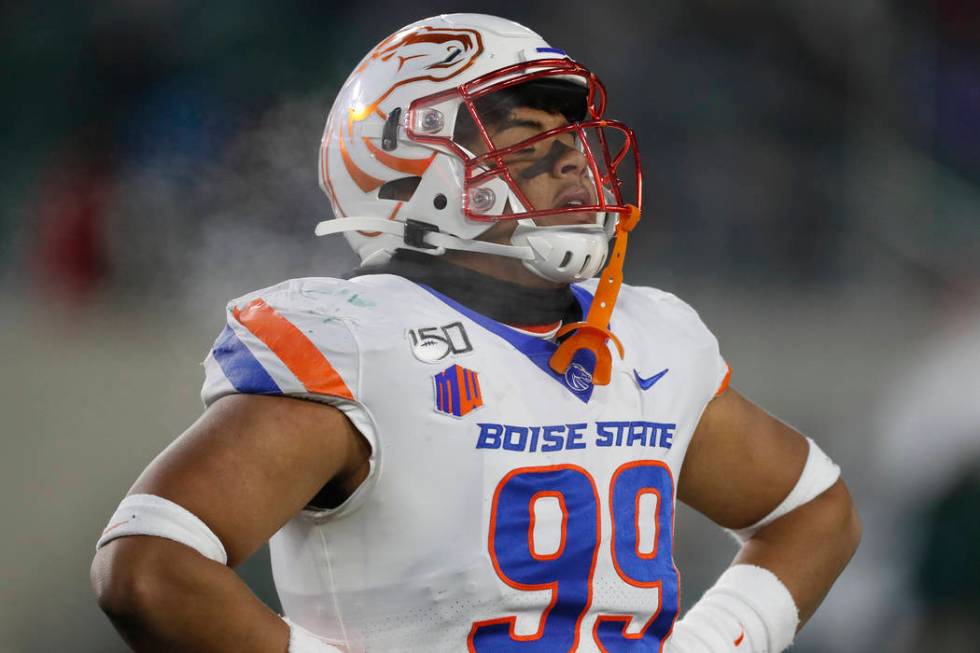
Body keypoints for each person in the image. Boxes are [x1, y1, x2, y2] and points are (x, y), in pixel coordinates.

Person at [90, 13, 860, 653]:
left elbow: (814, 512)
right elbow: (150, 567)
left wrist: (714, 640)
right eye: (526, 138)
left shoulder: (649, 336)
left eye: (570, 139)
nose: (571, 163)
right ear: (408, 163)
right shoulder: (363, 342)